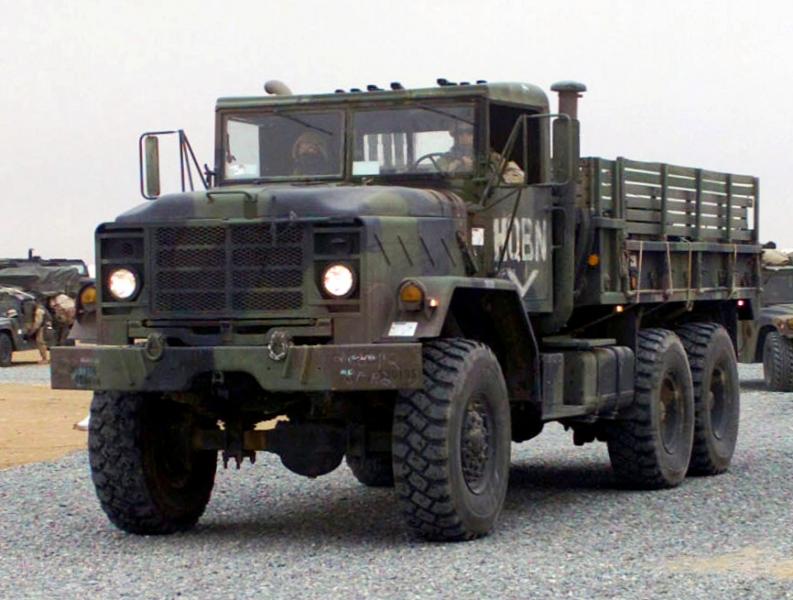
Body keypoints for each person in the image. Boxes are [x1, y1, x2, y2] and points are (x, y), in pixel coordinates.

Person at [437, 122, 524, 184]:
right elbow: (435, 178)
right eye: (460, 133)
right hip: (451, 198)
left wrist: (495, 180)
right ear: (456, 137)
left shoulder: (492, 157)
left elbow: (518, 176)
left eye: (469, 133)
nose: (464, 137)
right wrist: (455, 165)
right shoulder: (445, 158)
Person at [23, 298, 48, 363]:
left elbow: (38, 323)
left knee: (40, 341)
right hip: (41, 326)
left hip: (43, 326)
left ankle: (44, 359)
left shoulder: (39, 310)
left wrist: (30, 333)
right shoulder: (37, 308)